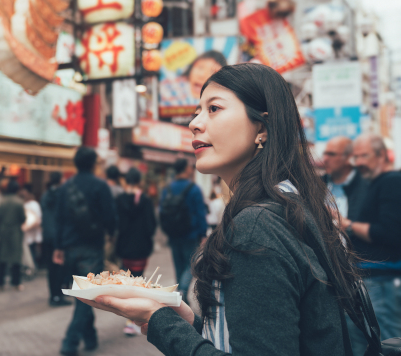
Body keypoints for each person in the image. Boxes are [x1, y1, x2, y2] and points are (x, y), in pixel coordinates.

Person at [79, 63, 361, 356]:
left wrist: (157, 320)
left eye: (213, 109)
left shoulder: (256, 225)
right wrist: (189, 322)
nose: (194, 123)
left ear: (261, 128)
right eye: (197, 111)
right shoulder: (289, 203)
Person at [339, 134, 401, 356]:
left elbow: (390, 232)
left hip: (383, 278)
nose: (359, 162)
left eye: (364, 155)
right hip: (373, 278)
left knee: (387, 343)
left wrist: (346, 224)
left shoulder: (391, 181)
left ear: (382, 155)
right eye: (356, 157)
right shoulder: (375, 184)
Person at [54, 147, 117, 356]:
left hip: (70, 248)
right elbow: (110, 217)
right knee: (86, 295)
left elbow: (59, 220)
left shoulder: (65, 188)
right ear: (93, 164)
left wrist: (58, 247)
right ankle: (70, 342)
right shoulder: (100, 186)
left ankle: (90, 337)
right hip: (92, 249)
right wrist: (111, 233)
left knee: (83, 293)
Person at [115, 167, 157, 336]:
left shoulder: (119, 200)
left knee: (127, 282)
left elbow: (116, 224)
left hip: (124, 247)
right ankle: (132, 321)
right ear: (139, 181)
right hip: (140, 247)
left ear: (126, 181)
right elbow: (151, 226)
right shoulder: (145, 201)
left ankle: (130, 319)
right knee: (138, 281)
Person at [160, 158, 207, 303]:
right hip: (191, 234)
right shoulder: (193, 189)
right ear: (186, 169)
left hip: (173, 235)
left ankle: (181, 301)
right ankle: (183, 291)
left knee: (179, 266)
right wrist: (203, 234)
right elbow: (200, 213)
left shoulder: (167, 189)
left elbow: (162, 211)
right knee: (191, 264)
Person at [40, 172, 70, 307]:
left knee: (51, 267)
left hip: (47, 235)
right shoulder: (63, 195)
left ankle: (54, 295)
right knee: (60, 266)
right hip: (59, 236)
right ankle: (58, 295)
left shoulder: (45, 195)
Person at [321, 136, 369, 221]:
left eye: (332, 154)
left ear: (349, 158)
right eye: (325, 154)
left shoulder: (367, 186)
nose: (325, 159)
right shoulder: (317, 184)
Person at [0, 180, 26, 291]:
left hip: (3, 231)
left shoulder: (2, 201)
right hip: (15, 232)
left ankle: (0, 282)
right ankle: (16, 282)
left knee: (2, 258)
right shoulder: (19, 202)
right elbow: (23, 218)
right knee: (16, 258)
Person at [20, 184, 42, 268]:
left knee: (31, 251)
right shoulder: (24, 203)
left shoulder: (34, 204)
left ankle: (32, 268)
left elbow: (37, 219)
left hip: (32, 232)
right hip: (26, 232)